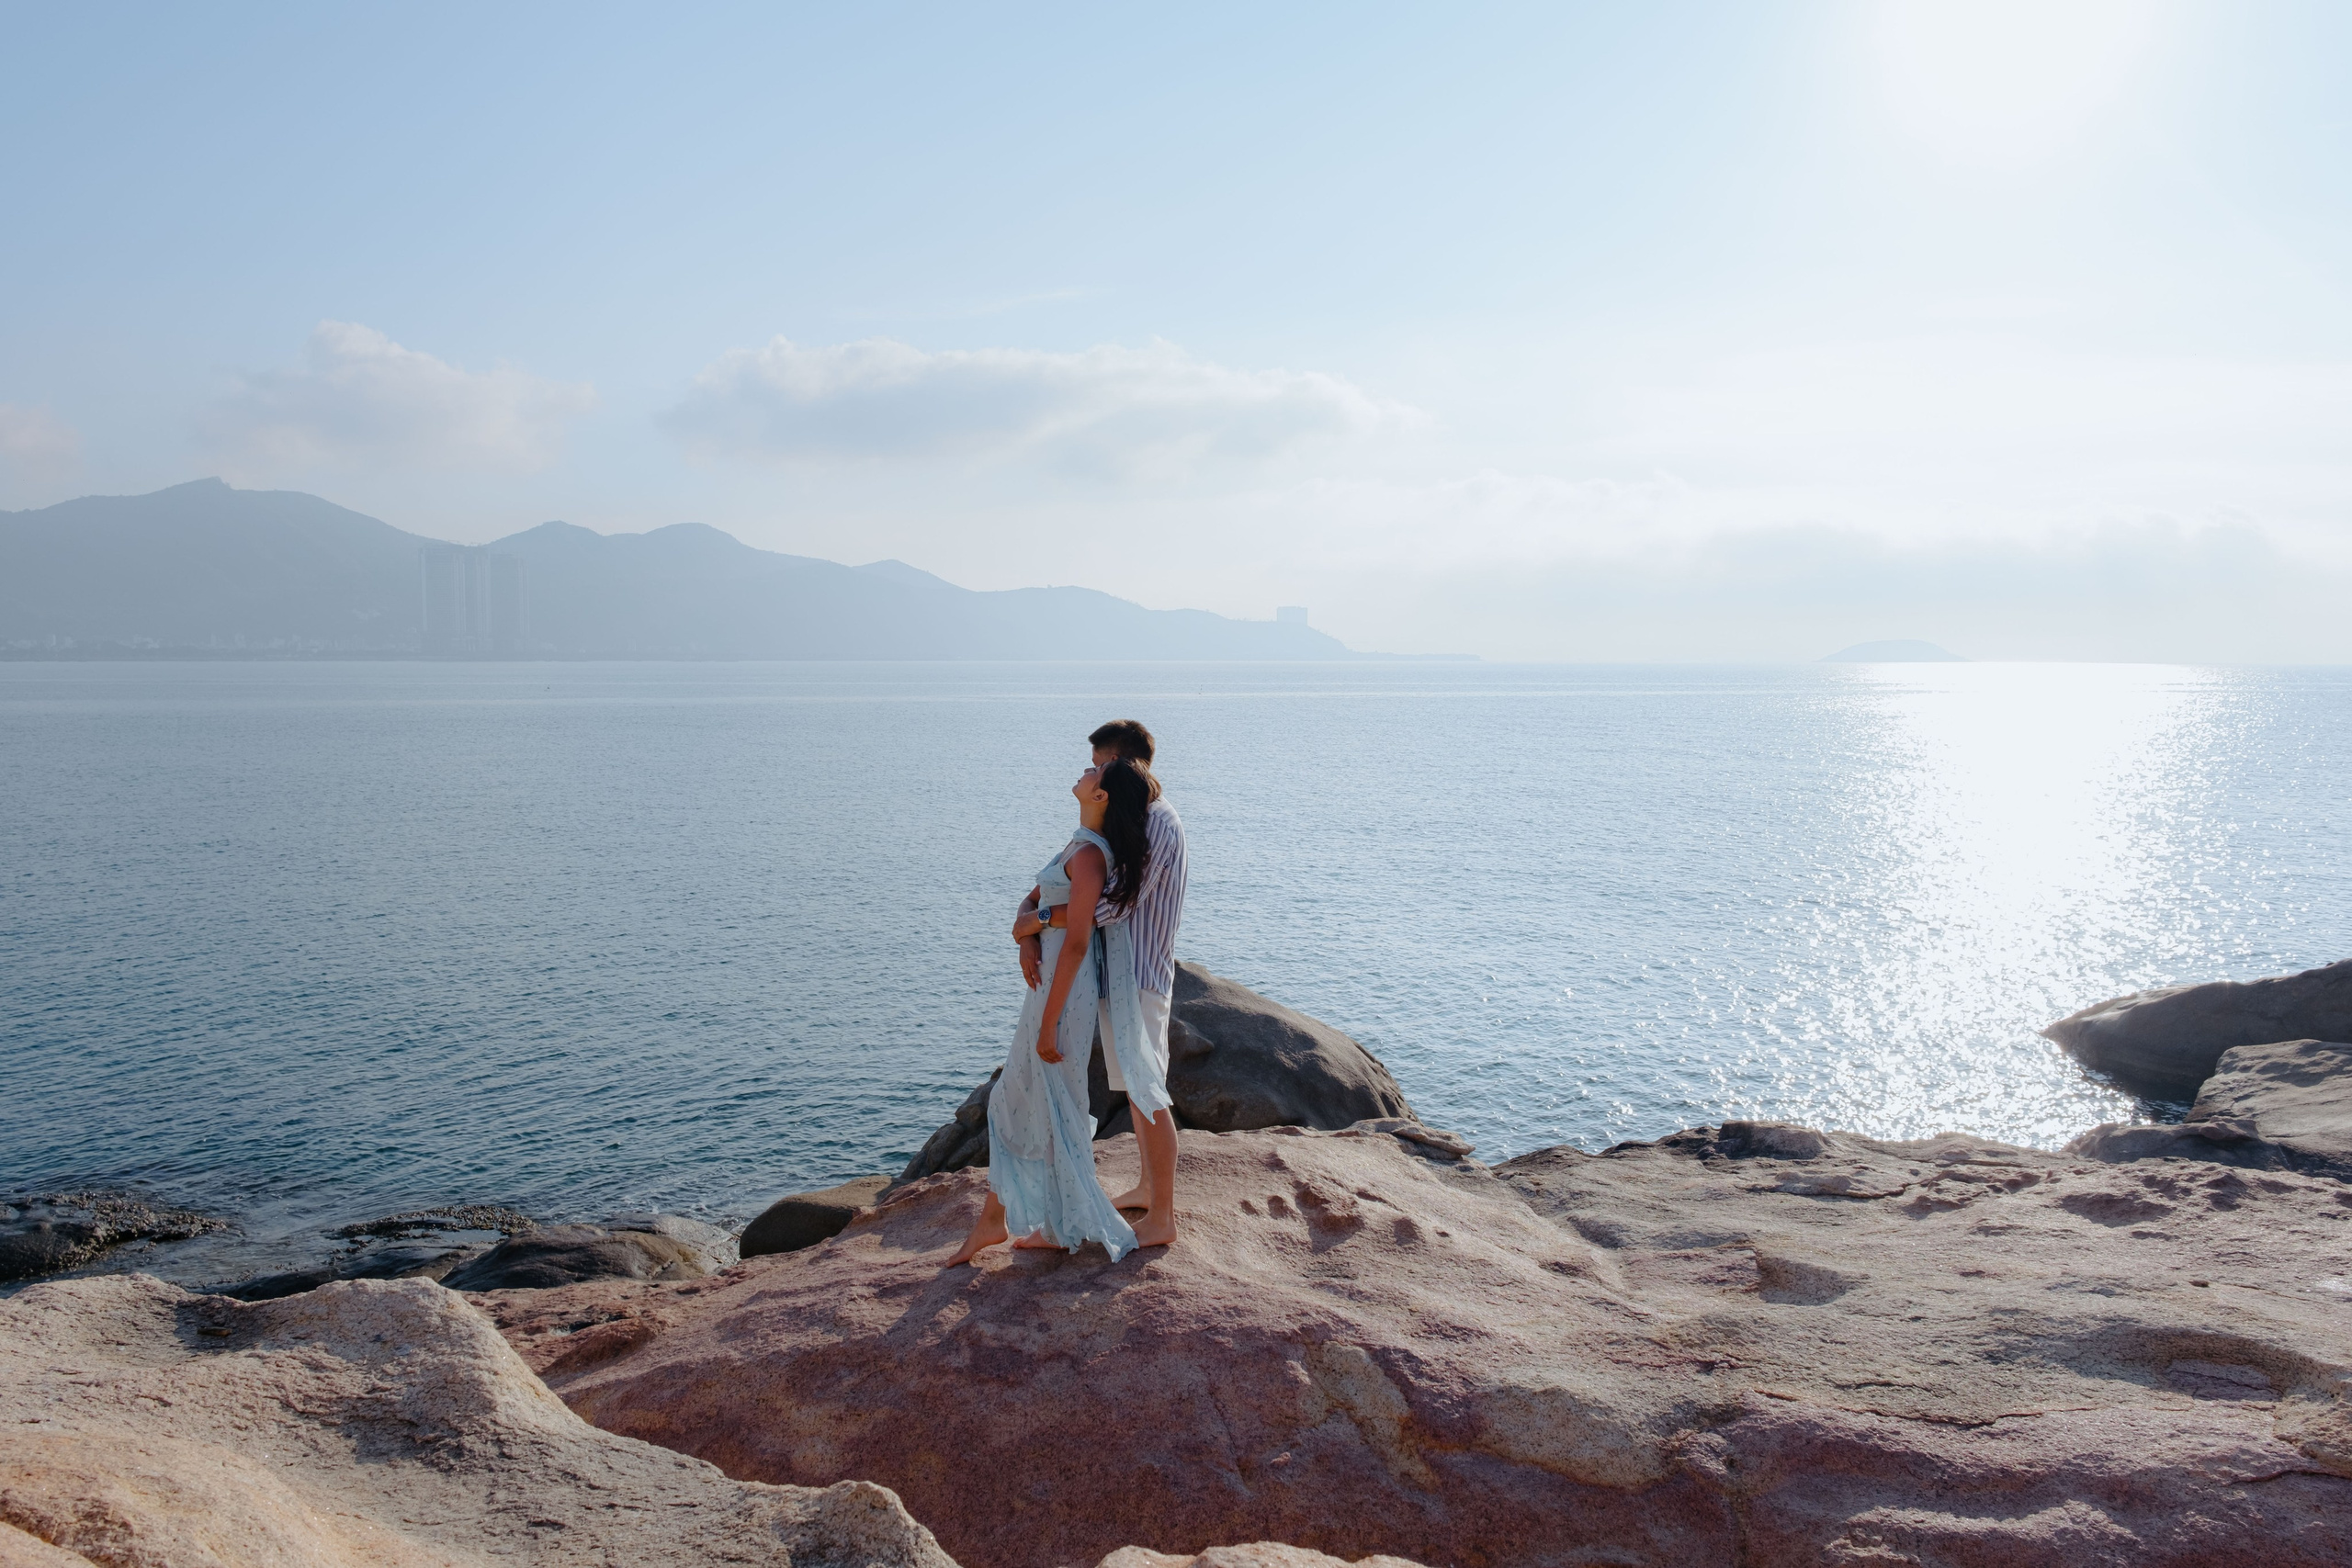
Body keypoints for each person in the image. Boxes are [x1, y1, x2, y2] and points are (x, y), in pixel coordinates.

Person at [947, 758, 1163, 1266]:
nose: (1087, 769)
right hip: (1048, 987)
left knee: (1051, 1102)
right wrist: (1027, 937)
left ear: (1101, 796)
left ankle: (1040, 1224)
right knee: (1018, 1099)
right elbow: (1034, 902)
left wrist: (1049, 1023)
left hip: (1064, 995)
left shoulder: (1090, 856)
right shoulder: (1076, 844)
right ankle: (1013, 1221)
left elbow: (1078, 941)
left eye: (1096, 771)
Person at [1015, 720, 1186, 1249]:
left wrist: (1040, 921)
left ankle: (1163, 1218)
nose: (1092, 772)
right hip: (1120, 976)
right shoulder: (1129, 817)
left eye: (1098, 763)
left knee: (1147, 1090)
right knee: (1137, 1089)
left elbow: (1112, 906)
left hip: (1140, 977)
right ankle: (1147, 1189)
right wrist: (1034, 924)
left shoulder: (1157, 823)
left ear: (1121, 763)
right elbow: (1066, 885)